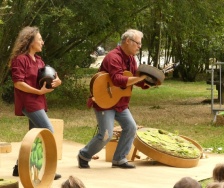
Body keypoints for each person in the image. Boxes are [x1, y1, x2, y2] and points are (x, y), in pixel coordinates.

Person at [78, 29, 149, 169]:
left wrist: (147, 82)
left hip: (120, 103)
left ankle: (119, 159)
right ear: (128, 41)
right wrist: (139, 78)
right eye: (137, 43)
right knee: (106, 134)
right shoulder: (113, 57)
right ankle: (84, 155)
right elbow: (118, 80)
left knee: (131, 127)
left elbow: (133, 78)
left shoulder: (131, 59)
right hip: (104, 100)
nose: (139, 46)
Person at [9, 26, 62, 180]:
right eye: (39, 39)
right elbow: (18, 83)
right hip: (29, 102)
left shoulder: (39, 61)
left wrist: (57, 82)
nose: (42, 42)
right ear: (30, 41)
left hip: (39, 101)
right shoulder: (20, 59)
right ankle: (48, 169)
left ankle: (18, 168)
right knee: (47, 132)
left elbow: (47, 79)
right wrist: (38, 92)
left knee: (33, 137)